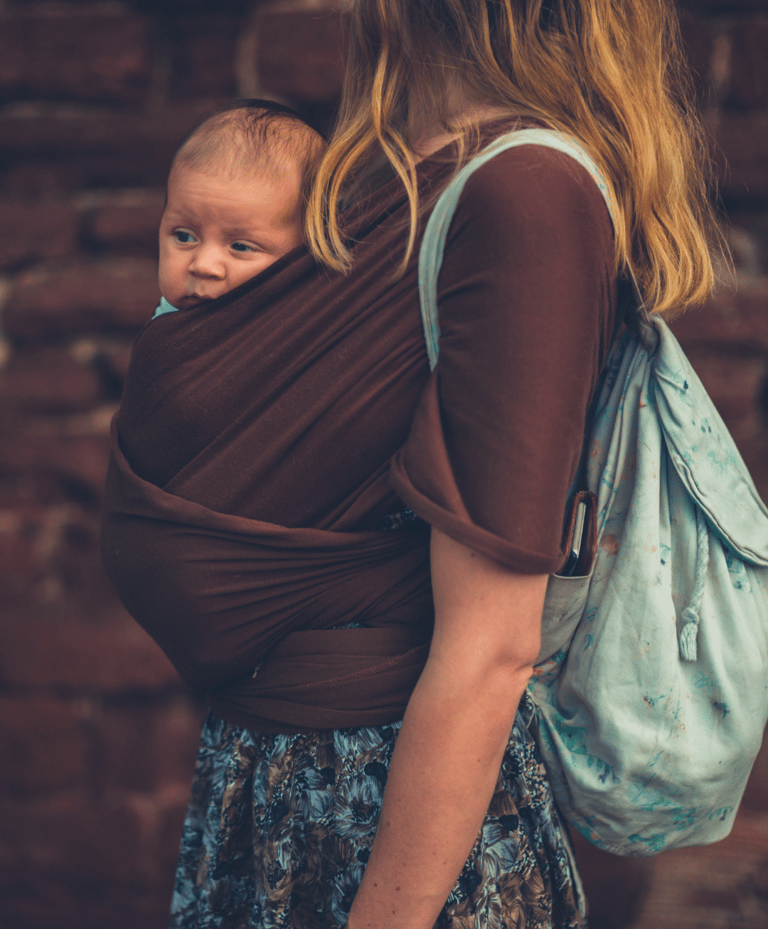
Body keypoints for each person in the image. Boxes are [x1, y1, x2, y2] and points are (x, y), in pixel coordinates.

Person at [100, 1, 722, 927]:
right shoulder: (380, 169)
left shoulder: (524, 194)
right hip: (271, 779)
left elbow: (491, 644)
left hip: (379, 808)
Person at [154, 99, 325, 317]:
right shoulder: (164, 324)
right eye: (184, 237)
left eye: (241, 247)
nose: (203, 266)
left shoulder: (305, 325)